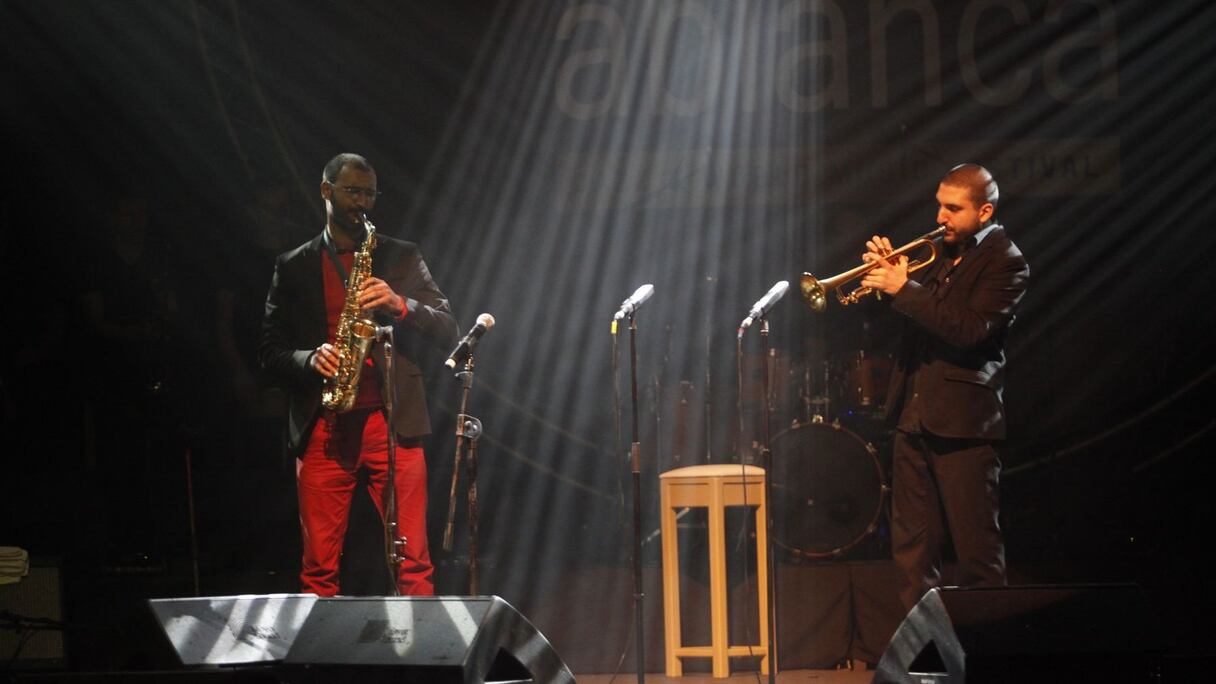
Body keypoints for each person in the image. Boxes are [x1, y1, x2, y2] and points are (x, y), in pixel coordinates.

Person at [259, 153, 458, 596]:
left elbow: (448, 327)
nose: (363, 202)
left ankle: (422, 659)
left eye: (369, 193)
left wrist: (400, 305)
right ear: (326, 191)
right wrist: (310, 359)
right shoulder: (293, 265)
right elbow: (269, 351)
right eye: (353, 191)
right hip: (324, 425)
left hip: (392, 424)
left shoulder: (402, 256)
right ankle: (320, 663)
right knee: (318, 568)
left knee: (414, 562)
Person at [859, 163, 1029, 611]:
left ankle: (989, 659)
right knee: (912, 555)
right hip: (912, 419)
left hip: (965, 427)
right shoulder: (939, 254)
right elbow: (913, 326)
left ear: (985, 211)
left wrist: (906, 289)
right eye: (939, 205)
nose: (940, 217)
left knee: (977, 554)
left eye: (953, 208)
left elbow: (970, 330)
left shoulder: (1007, 262)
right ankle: (921, 662)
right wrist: (887, 280)